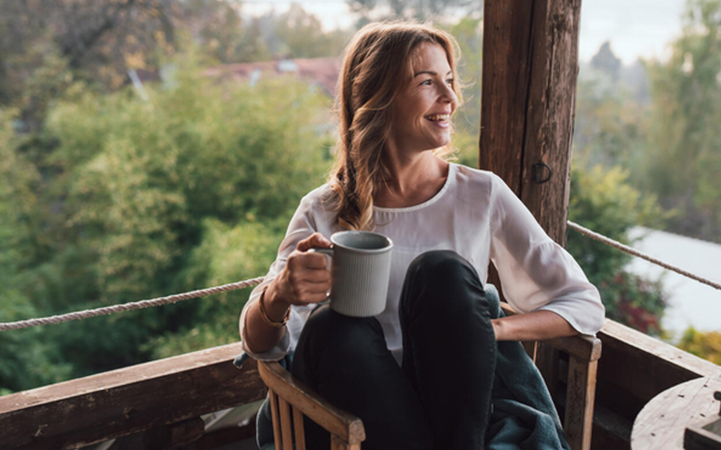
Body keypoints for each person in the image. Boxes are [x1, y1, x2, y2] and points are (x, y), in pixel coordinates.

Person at [239, 22, 605, 450]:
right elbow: (257, 344)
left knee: (443, 272)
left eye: (449, 81)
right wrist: (279, 292)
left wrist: (488, 330)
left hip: (452, 410)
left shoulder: (481, 194)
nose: (450, 98)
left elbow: (583, 302)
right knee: (336, 329)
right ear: (378, 97)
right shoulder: (324, 209)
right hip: (351, 413)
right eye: (428, 82)